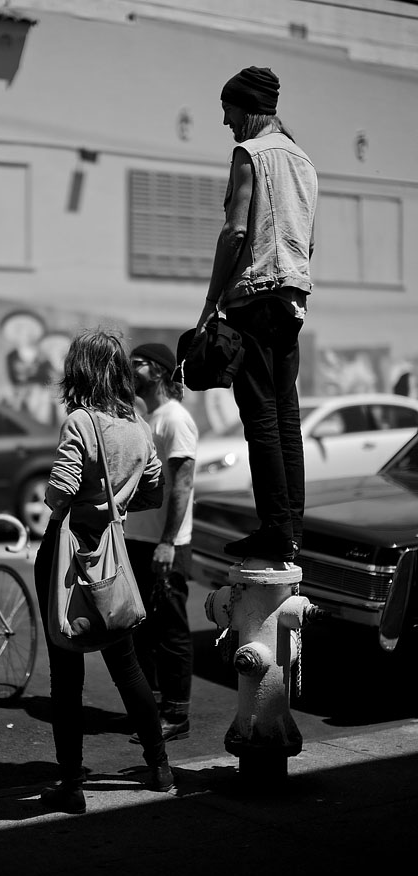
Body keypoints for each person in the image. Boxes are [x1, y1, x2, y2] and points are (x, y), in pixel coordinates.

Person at [34, 329, 174, 814]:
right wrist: (116, 503)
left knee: (65, 672)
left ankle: (71, 786)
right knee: (127, 664)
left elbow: (60, 490)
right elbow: (154, 489)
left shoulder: (80, 420)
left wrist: (61, 506)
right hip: (113, 556)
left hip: (66, 555)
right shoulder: (137, 424)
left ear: (80, 372)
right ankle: (159, 767)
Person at [196, 66, 318, 562]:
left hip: (255, 297)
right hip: (292, 301)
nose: (225, 122)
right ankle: (292, 527)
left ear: (246, 109)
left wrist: (211, 301)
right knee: (286, 417)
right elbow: (308, 240)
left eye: (227, 111)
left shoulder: (250, 154)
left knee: (260, 418)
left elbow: (235, 232)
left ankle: (274, 527)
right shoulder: (304, 161)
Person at [125, 343, 198, 744]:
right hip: (140, 538)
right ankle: (152, 708)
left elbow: (182, 486)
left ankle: (177, 714)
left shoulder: (175, 419)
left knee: (171, 632)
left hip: (165, 543)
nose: (129, 369)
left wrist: (168, 542)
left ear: (156, 371)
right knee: (142, 630)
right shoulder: (149, 417)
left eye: (135, 364)